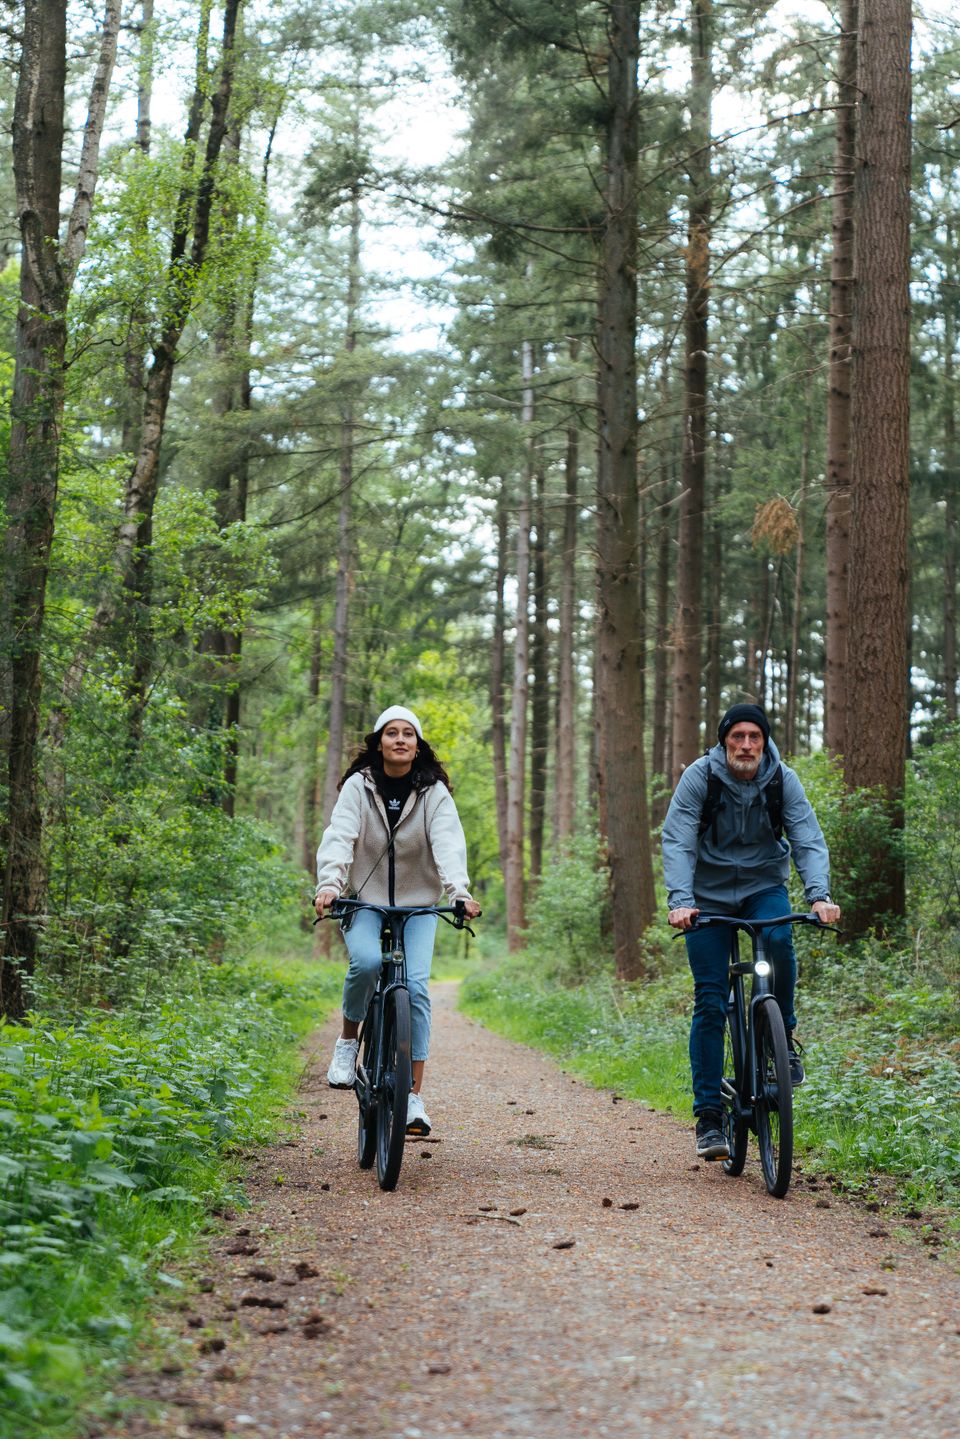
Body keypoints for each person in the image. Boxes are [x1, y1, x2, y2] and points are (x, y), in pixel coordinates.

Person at [661, 703, 841, 1160]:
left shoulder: (784, 779)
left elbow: (807, 837)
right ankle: (709, 1118)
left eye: (754, 737)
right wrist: (681, 901)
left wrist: (818, 895)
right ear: (724, 741)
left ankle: (784, 1036)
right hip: (706, 894)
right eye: (737, 736)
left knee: (780, 940)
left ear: (764, 742)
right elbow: (679, 837)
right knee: (709, 996)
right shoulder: (700, 777)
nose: (746, 745)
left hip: (764, 886)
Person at [314, 705, 480, 1137]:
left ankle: (411, 1098)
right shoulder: (359, 786)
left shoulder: (433, 792)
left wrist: (458, 893)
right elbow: (341, 835)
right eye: (392, 733)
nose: (401, 739)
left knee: (418, 989)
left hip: (419, 905)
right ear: (379, 742)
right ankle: (349, 1042)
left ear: (418, 744)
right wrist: (329, 885)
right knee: (367, 963)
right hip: (365, 901)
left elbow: (447, 843)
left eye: (409, 733)